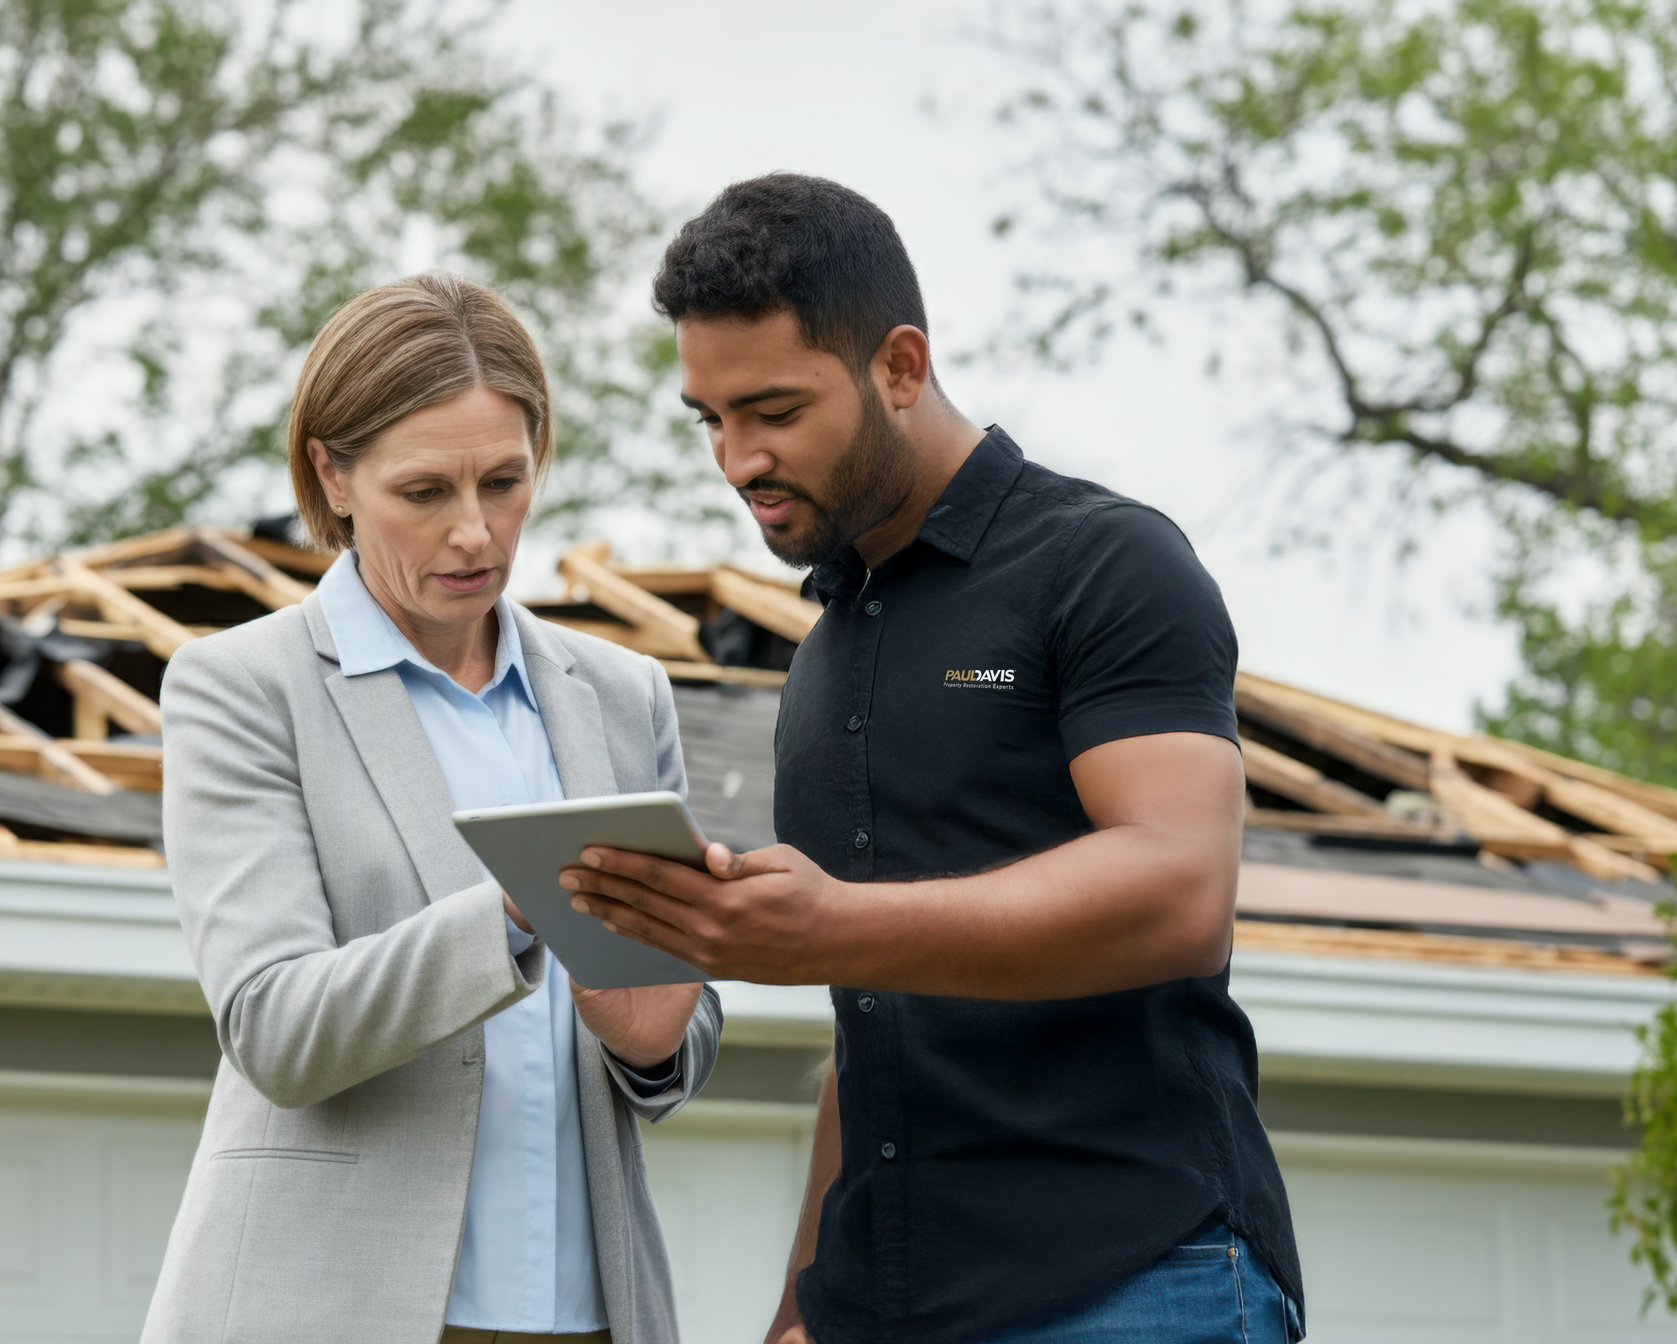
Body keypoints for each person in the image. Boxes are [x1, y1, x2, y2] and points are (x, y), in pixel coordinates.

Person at [557, 175, 1304, 1344]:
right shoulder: (823, 655)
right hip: (883, 1310)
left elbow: (1180, 892)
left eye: (773, 409)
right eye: (709, 418)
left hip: (1132, 1283)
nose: (737, 458)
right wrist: (802, 1303)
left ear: (899, 367)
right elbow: (874, 1025)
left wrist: (832, 928)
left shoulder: (1107, 564)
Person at [142, 272, 720, 1344]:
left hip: (594, 1315)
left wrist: (653, 1040)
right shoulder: (242, 687)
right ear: (334, 471)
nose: (476, 534)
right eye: (425, 492)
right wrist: (514, 915)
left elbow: (667, 1027)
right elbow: (273, 1028)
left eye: (504, 482)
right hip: (333, 1310)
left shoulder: (625, 695)